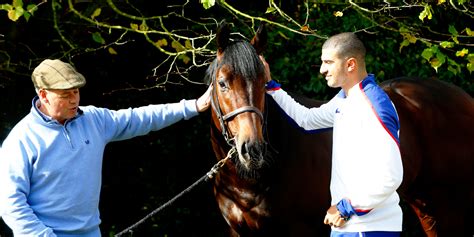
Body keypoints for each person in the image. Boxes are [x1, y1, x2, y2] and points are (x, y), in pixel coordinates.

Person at [0, 59, 212, 236]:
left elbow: (140, 118)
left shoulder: (93, 119)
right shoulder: (21, 140)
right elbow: (9, 204)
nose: (74, 100)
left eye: (76, 92)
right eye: (66, 95)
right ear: (44, 95)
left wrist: (193, 106)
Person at [261, 32, 403, 236]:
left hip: (369, 228)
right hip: (347, 226)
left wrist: (345, 209)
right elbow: (307, 119)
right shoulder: (345, 99)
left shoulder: (374, 105)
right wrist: (272, 87)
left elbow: (391, 176)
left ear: (350, 64)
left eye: (328, 62)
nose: (322, 70)